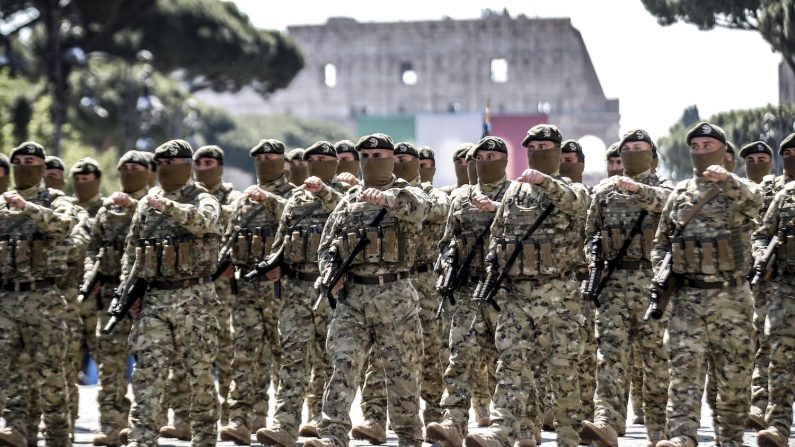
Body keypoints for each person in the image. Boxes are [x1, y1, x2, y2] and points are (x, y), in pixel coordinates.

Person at [303, 133, 431, 447]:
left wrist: (383, 199)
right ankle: (332, 433)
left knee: (401, 372)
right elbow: (325, 247)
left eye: (379, 155)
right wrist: (330, 272)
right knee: (343, 365)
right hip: (352, 299)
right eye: (366, 155)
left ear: (390, 159)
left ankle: (409, 436)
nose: (372, 161)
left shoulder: (407, 193)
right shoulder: (347, 201)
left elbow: (422, 209)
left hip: (395, 297)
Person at [462, 126, 587, 447]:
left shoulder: (572, 189)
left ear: (557, 151)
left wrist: (545, 181)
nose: (538, 152)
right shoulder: (515, 193)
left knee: (562, 371)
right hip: (517, 295)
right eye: (533, 147)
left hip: (559, 295)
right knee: (512, 362)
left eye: (545, 146)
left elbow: (573, 203)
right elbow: (500, 233)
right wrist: (496, 266)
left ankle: (569, 436)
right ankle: (504, 430)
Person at [653, 122, 761, 447]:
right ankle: (682, 436)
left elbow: (756, 202)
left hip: (732, 299)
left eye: (707, 146)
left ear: (722, 151)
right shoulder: (679, 194)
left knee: (733, 378)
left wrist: (727, 180)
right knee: (683, 372)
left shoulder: (739, 189)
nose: (700, 152)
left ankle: (730, 438)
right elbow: (660, 242)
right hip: (687, 299)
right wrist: (661, 269)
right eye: (695, 147)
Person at [122, 139, 223, 447]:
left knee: (199, 374)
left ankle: (205, 438)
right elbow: (132, 252)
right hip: (154, 298)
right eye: (162, 165)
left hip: (195, 298)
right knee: (147, 372)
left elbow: (206, 222)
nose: (167, 170)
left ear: (188, 167)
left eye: (174, 165)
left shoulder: (204, 198)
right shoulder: (145, 205)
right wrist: (128, 294)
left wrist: (167, 206)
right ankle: (142, 438)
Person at [579, 129, 673, 447]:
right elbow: (590, 233)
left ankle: (658, 426)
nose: (632, 152)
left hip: (654, 282)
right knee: (610, 355)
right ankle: (607, 420)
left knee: (656, 355)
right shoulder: (605, 190)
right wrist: (594, 259)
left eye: (639, 148)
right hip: (614, 283)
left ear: (651, 154)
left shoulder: (665, 187)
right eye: (627, 148)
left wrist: (638, 189)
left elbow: (669, 207)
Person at [255, 141, 349, 447]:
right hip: (296, 290)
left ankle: (330, 428)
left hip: (332, 291)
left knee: (333, 362)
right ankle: (284, 424)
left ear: (334, 164)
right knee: (292, 359)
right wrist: (274, 265)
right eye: (313, 160)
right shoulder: (295, 199)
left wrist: (323, 191)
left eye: (324, 159)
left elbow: (348, 218)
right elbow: (282, 240)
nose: (317, 164)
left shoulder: (347, 194)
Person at [426, 137, 513, 447]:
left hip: (505, 290)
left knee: (511, 360)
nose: (485, 161)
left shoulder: (515, 194)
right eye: (480, 156)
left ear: (504, 159)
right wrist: (446, 262)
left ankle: (520, 425)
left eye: (493, 155)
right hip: (467, 290)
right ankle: (453, 422)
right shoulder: (461, 197)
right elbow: (446, 240)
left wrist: (497, 210)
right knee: (461, 357)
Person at [158, 145, 242, 440]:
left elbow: (240, 236)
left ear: (220, 166)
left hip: (224, 288)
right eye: (200, 163)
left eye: (211, 163)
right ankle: (182, 418)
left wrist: (235, 263)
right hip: (187, 285)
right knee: (183, 356)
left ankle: (232, 417)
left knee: (224, 352)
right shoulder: (177, 198)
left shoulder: (232, 199)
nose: (205, 168)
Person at [0, 141, 77, 447]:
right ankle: (16, 428)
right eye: (18, 160)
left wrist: (27, 207)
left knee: (50, 375)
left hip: (43, 299)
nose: (23, 165)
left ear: (43, 168)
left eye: (30, 160)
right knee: (10, 371)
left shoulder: (56, 200)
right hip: (6, 298)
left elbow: (64, 226)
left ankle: (59, 437)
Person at [220, 139, 294, 444]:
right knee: (245, 356)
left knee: (284, 358)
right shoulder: (242, 201)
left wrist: (285, 266)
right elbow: (229, 238)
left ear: (284, 161)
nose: (265, 162)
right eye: (260, 158)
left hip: (282, 290)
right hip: (247, 289)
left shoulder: (295, 196)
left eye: (271, 157)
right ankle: (241, 419)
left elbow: (305, 239)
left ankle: (282, 422)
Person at [88, 151, 152, 447]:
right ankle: (112, 426)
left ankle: (145, 424)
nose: (129, 172)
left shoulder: (156, 205)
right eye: (124, 168)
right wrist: (92, 274)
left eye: (136, 168)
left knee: (148, 365)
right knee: (109, 365)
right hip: (112, 295)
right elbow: (92, 248)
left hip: (147, 295)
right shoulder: (107, 210)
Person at [754, 133, 795, 447]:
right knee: (780, 354)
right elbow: (761, 234)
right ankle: (778, 425)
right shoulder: (787, 194)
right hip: (787, 288)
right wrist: (761, 259)